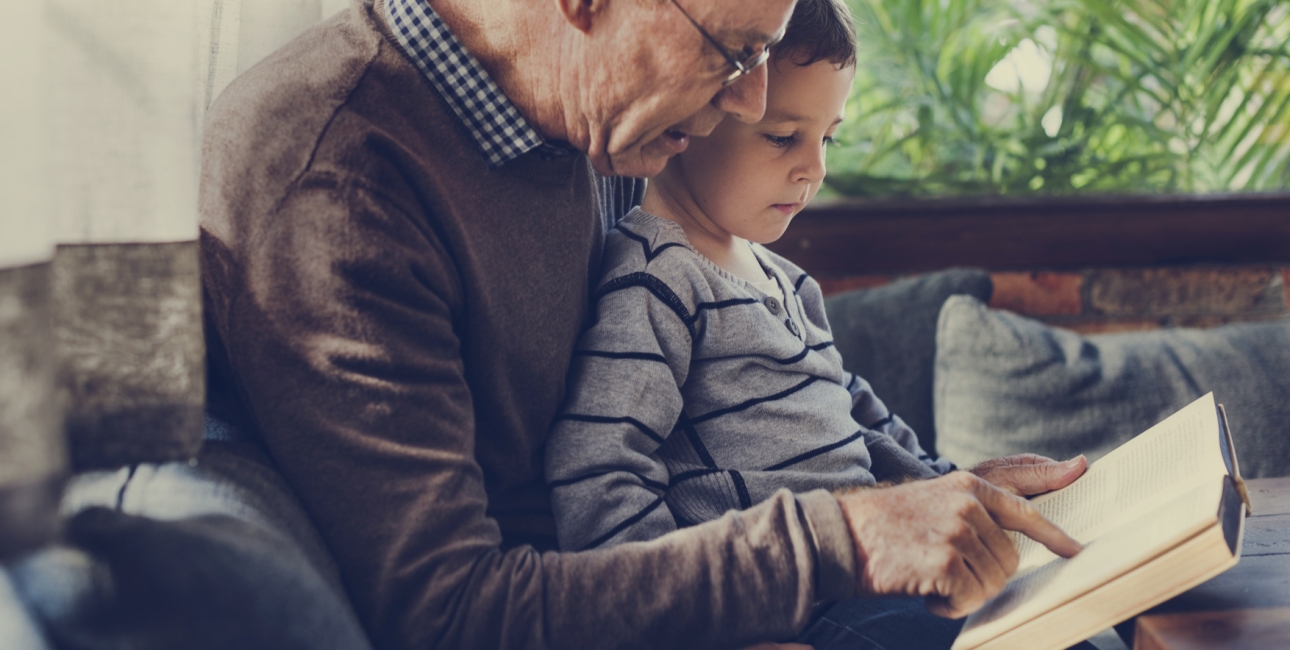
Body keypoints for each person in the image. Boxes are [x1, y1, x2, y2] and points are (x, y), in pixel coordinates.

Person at [198, 0, 1086, 649]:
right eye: (736, 52)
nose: (745, 105)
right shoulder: (337, 175)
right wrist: (846, 537)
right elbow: (447, 614)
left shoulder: (598, 121)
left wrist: (938, 491)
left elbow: (738, 388)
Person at [543, 3, 1092, 648]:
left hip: (879, 572)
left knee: (1064, 618)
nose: (815, 168)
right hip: (796, 609)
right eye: (783, 137)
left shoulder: (786, 280)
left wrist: (961, 489)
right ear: (694, 114)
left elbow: (859, 418)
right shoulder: (657, 280)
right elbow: (598, 475)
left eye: (826, 138)